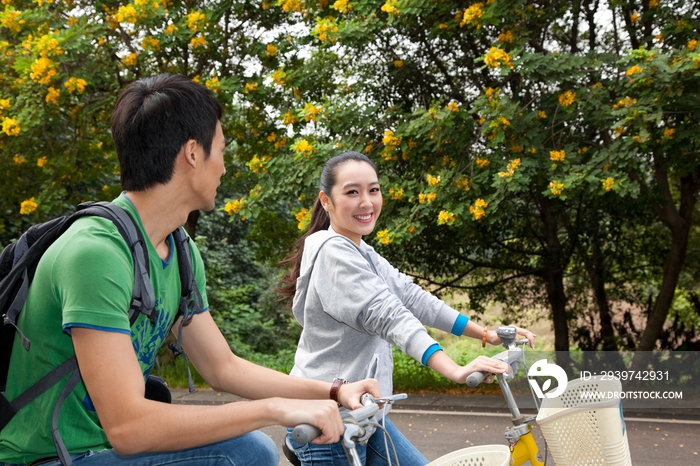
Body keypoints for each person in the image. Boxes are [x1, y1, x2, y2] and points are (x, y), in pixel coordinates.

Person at [0, 75, 379, 466]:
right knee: (246, 454)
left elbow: (222, 367)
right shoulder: (96, 253)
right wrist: (274, 409)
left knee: (248, 449)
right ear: (193, 153)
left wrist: (333, 392)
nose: (225, 166)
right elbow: (129, 428)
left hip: (101, 452)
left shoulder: (178, 251)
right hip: (46, 458)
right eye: (222, 150)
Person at [279, 151, 536, 466]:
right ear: (326, 200)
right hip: (328, 423)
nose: (367, 202)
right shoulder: (334, 254)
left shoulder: (363, 252)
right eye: (352, 192)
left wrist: (484, 333)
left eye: (373, 190)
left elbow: (413, 299)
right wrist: (454, 370)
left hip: (365, 416)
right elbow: (391, 316)